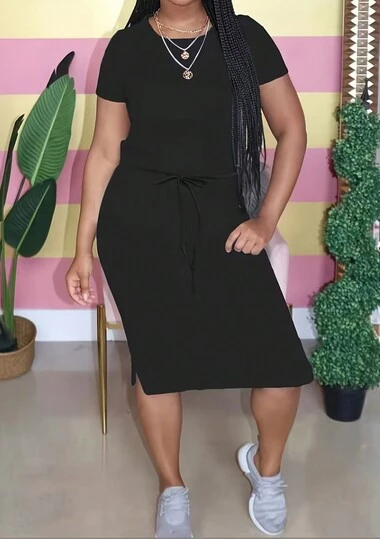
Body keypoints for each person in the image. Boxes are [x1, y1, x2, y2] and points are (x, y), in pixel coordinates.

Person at [66, 0, 313, 536]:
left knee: (280, 365)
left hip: (224, 218)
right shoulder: (127, 47)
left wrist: (267, 219)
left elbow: (292, 129)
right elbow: (105, 151)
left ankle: (266, 470)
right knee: (159, 365)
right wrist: (83, 247)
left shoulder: (244, 38)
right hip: (139, 222)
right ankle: (172, 488)